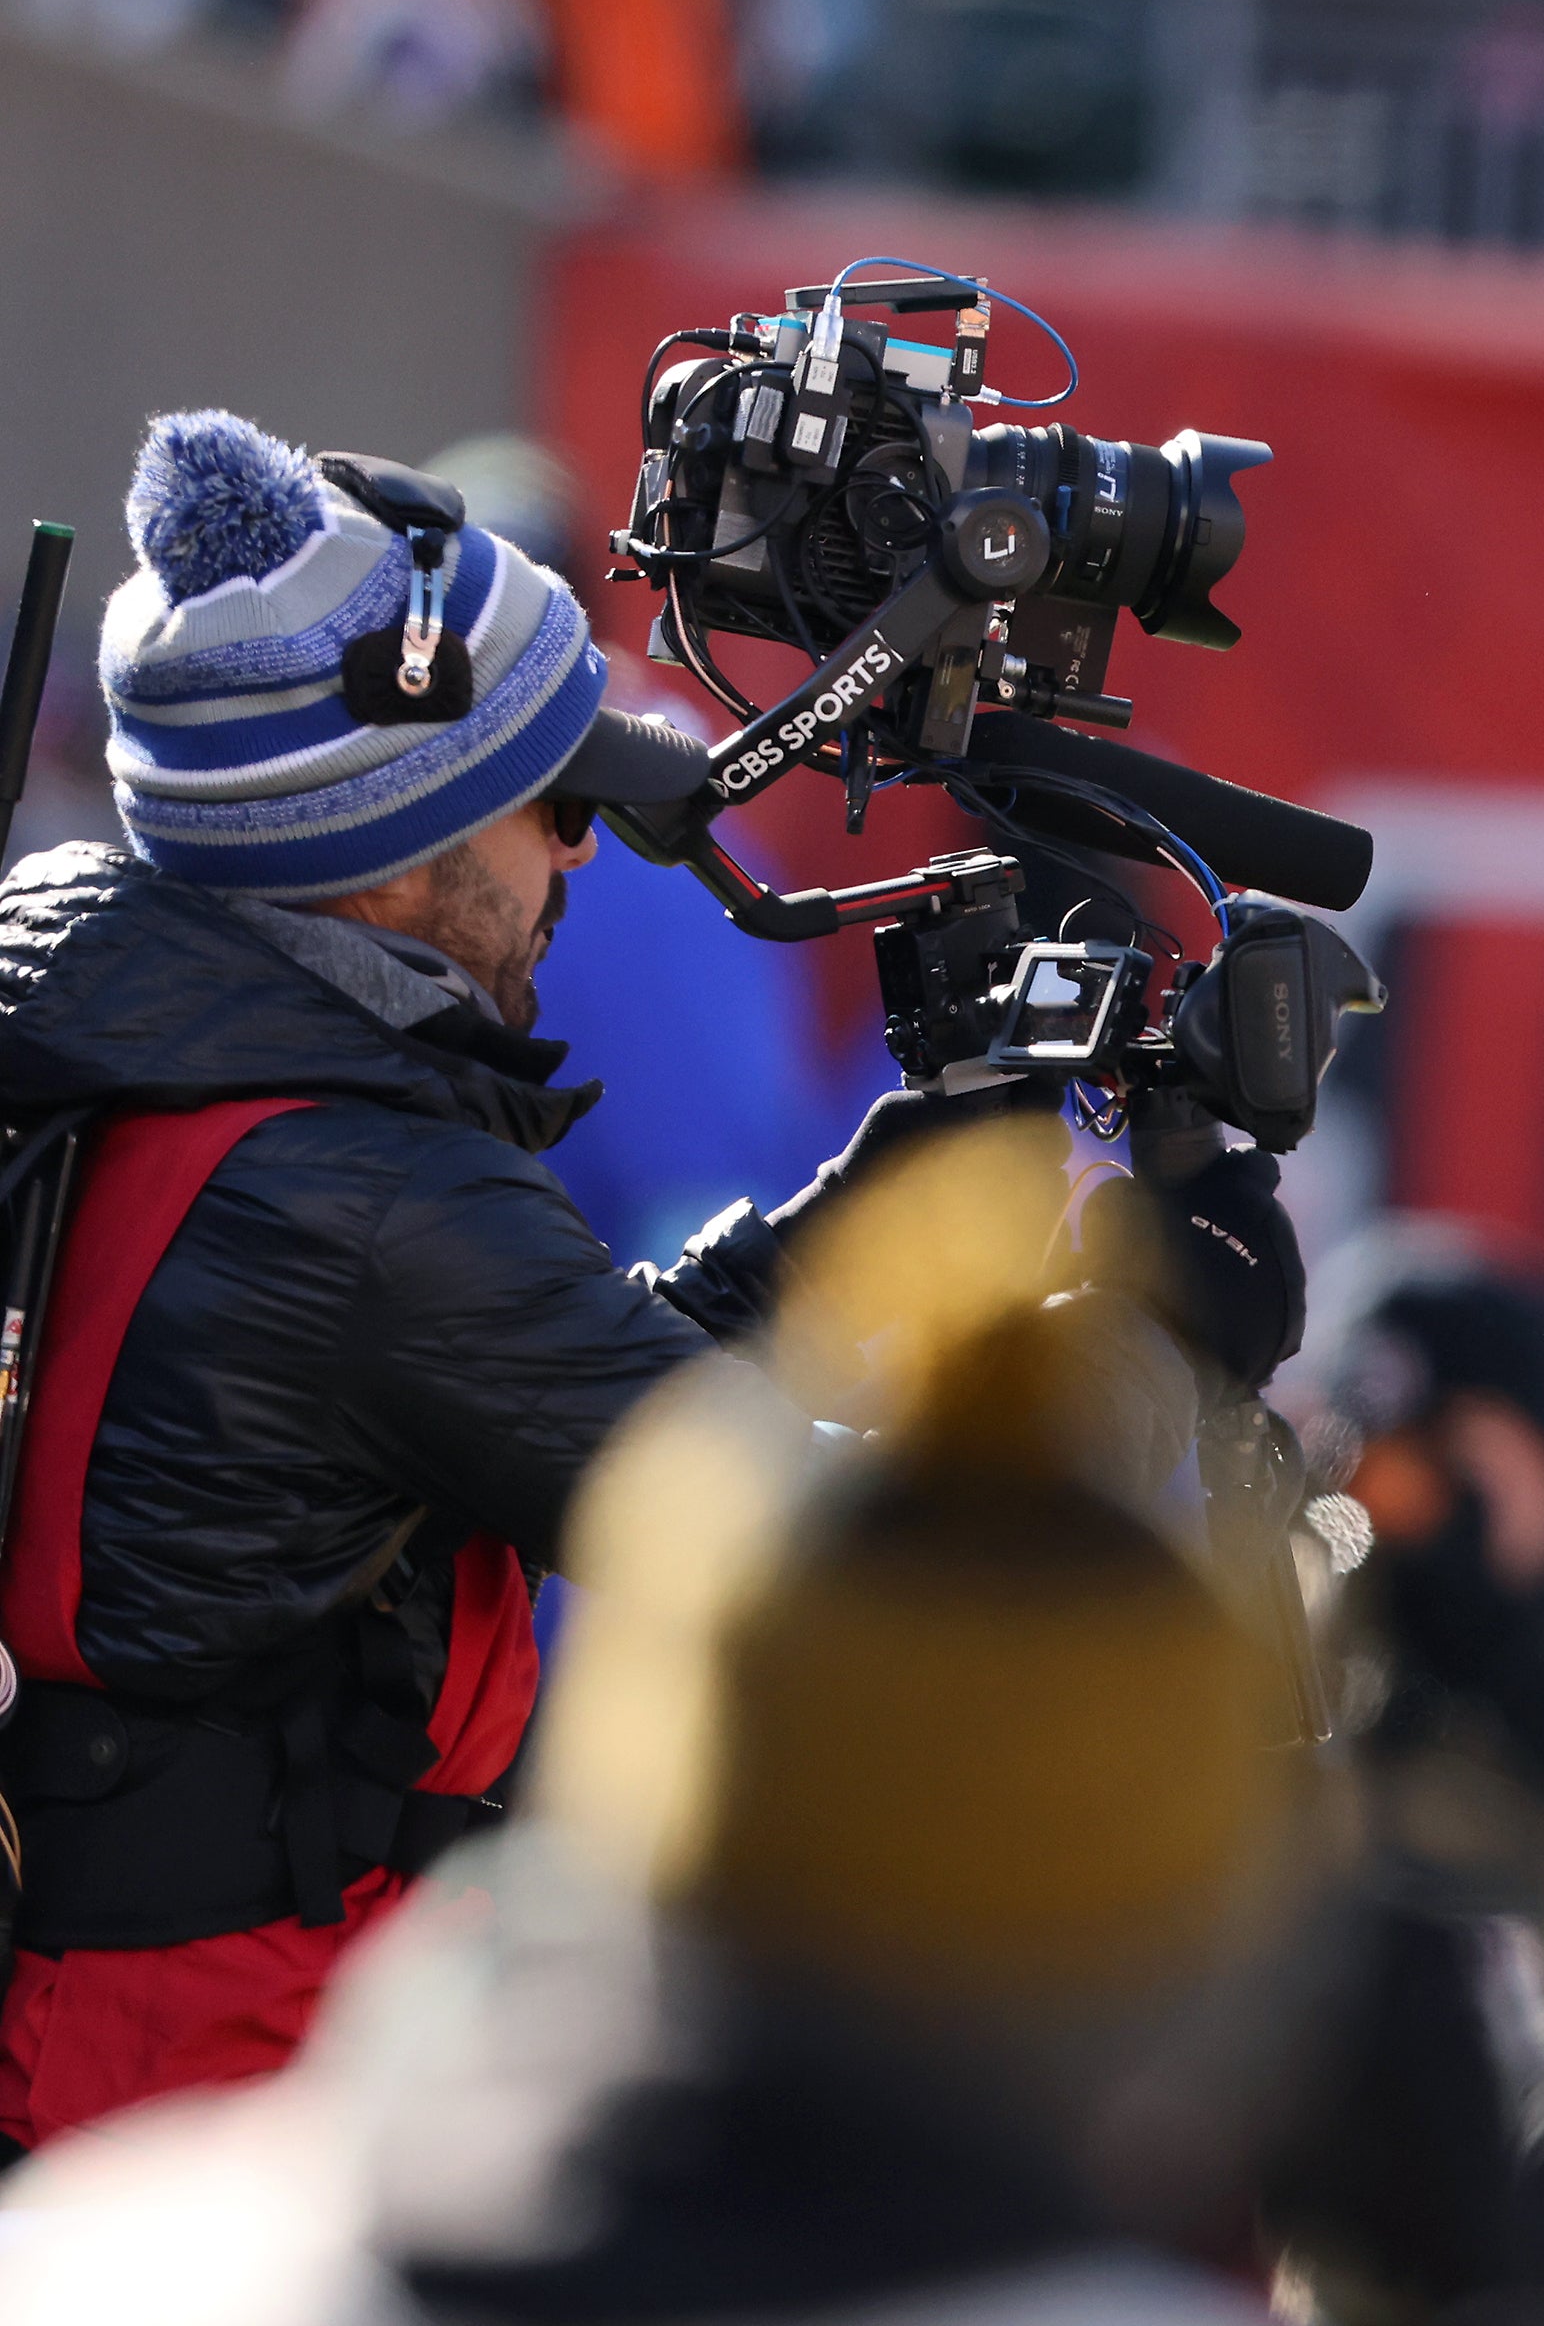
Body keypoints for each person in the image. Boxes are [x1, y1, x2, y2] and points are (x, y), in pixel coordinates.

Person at [0, 410, 904, 2155]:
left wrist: (835, 1224)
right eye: (547, 799)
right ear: (394, 852)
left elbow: (529, 1381)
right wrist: (1135, 1371)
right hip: (206, 2108)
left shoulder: (154, 1044)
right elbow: (827, 1551)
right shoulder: (362, 1197)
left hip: (102, 2048)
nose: (578, 851)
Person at [0, 1129, 1320, 2323]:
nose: (553, 928)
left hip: (174, 2069)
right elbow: (858, 1558)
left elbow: (576, 1436)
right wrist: (1150, 1348)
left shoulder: (114, 2256)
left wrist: (801, 1247)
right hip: (209, 2029)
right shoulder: (365, 1179)